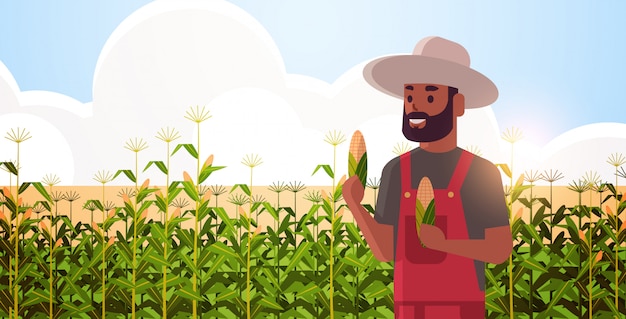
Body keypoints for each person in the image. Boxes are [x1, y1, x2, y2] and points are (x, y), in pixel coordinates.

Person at [342, 36, 513, 319]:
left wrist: (444, 244)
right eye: (410, 96)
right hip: (408, 310)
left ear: (457, 105)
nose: (415, 106)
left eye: (430, 96)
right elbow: (386, 251)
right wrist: (355, 205)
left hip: (464, 310)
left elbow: (499, 249)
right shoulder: (395, 171)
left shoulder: (480, 173)